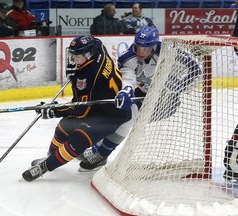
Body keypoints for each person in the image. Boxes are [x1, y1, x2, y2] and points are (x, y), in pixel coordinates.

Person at [79, 26, 202, 172]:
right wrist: (126, 91)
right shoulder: (127, 57)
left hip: (166, 101)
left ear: (154, 45)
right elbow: (128, 79)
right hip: (143, 93)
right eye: (139, 47)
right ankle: (97, 148)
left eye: (146, 48)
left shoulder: (169, 53)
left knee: (127, 118)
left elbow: (196, 71)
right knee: (116, 115)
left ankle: (101, 154)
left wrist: (180, 86)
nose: (141, 52)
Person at [22, 35, 132, 182]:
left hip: (112, 114)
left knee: (79, 137)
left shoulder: (88, 76)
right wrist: (77, 68)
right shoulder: (99, 47)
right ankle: (50, 156)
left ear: (89, 54)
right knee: (64, 125)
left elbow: (80, 109)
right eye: (73, 55)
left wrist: (54, 110)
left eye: (78, 57)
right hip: (99, 104)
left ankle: (45, 167)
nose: (74, 59)